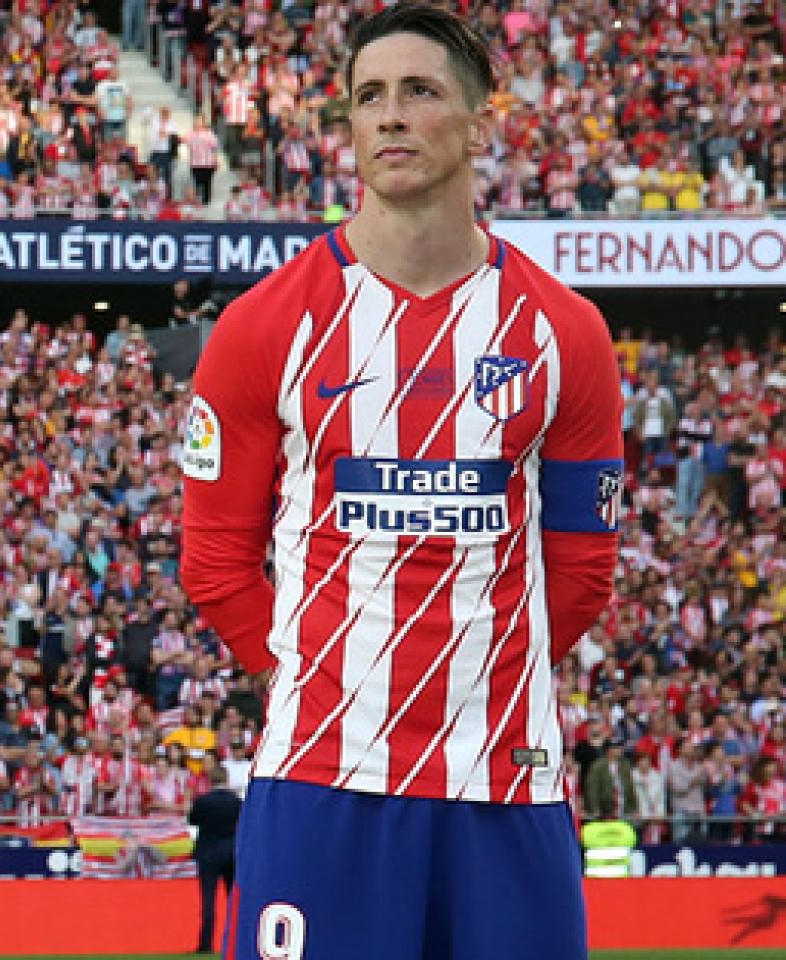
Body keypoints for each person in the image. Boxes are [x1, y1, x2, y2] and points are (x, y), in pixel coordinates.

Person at [180, 5, 623, 959]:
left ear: (481, 123)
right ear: (346, 126)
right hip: (320, 778)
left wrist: (474, 680)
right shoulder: (263, 326)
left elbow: (584, 571)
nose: (390, 115)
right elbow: (214, 560)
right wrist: (313, 679)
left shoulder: (565, 332)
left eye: (419, 91)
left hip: (505, 782)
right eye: (369, 96)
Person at [188, 766, 242, 955]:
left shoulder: (203, 801)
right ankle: (236, 941)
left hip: (209, 852)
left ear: (211, 780)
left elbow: (192, 820)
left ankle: (206, 943)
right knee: (233, 900)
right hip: (230, 852)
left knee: (208, 900)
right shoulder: (236, 802)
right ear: (226, 779)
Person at [579, 807, 638, 879]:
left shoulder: (587, 830)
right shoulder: (627, 829)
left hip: (594, 880)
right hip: (621, 879)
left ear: (598, 813)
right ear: (615, 812)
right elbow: (633, 846)